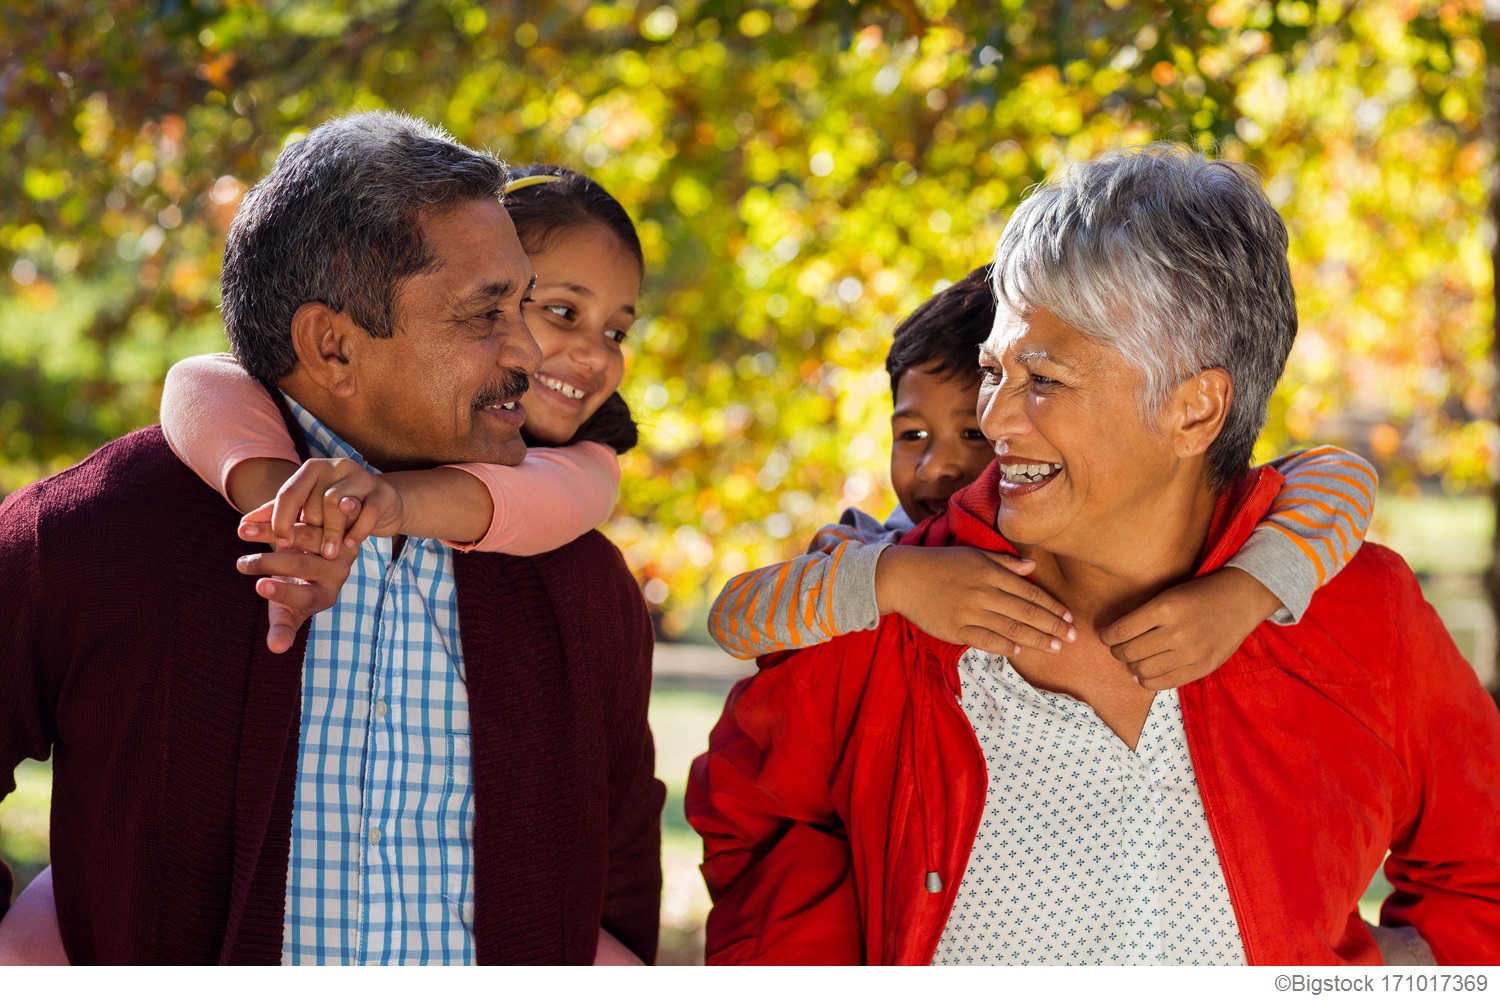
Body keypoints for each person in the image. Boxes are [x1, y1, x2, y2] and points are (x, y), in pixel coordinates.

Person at [687, 145, 1500, 966]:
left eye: (1043, 379)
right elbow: (756, 827)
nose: (995, 422)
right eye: (993, 370)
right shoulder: (885, 609)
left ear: (1194, 409)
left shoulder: (1362, 613)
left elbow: (1482, 879)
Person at [0, 112, 664, 965]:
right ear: (333, 345)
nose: (531, 351)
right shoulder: (87, 536)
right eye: (487, 313)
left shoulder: (582, 580)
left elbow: (620, 870)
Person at [707, 268, 1378, 692]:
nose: (936, 466)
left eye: (973, 433)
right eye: (912, 436)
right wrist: (896, 580)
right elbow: (735, 619)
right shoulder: (876, 545)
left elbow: (1341, 476)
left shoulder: (1177, 526)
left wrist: (1244, 593)